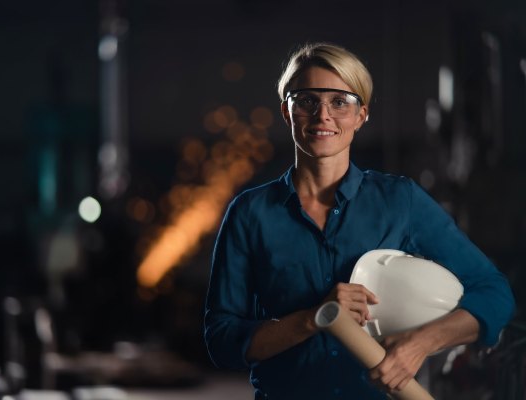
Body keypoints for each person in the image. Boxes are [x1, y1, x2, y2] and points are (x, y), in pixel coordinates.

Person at [204, 43, 515, 399]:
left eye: (340, 102)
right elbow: (222, 341)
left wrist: (420, 343)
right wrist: (312, 318)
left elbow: (495, 294)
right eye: (306, 100)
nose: (323, 115)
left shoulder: (400, 201)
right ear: (288, 113)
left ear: (361, 115)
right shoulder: (249, 213)